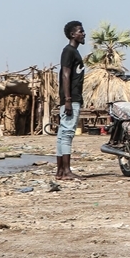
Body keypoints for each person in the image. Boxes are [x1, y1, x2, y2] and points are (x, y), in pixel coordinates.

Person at [56, 21, 86, 180]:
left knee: (62, 134)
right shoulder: (69, 51)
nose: (83, 34)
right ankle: (67, 171)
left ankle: (60, 172)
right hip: (71, 98)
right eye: (81, 31)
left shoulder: (73, 52)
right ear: (72, 34)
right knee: (67, 133)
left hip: (70, 98)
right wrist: (68, 99)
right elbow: (65, 75)